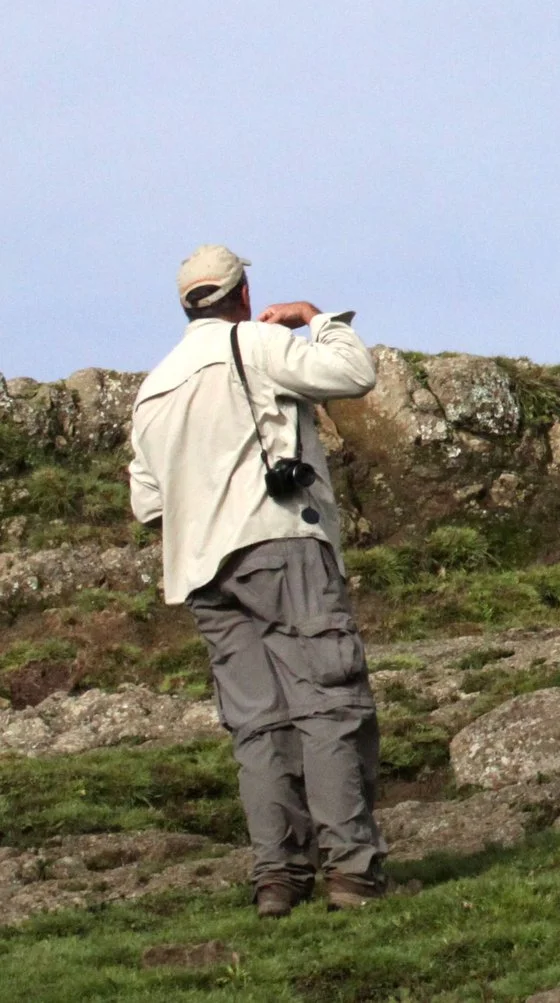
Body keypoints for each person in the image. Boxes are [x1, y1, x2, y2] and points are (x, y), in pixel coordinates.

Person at [127, 245, 386, 918]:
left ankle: (278, 879)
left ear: (187, 303)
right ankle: (352, 875)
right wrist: (317, 317)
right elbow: (355, 372)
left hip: (200, 572)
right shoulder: (258, 344)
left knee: (258, 726)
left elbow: (148, 503)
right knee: (328, 701)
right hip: (278, 543)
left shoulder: (152, 389)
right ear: (244, 293)